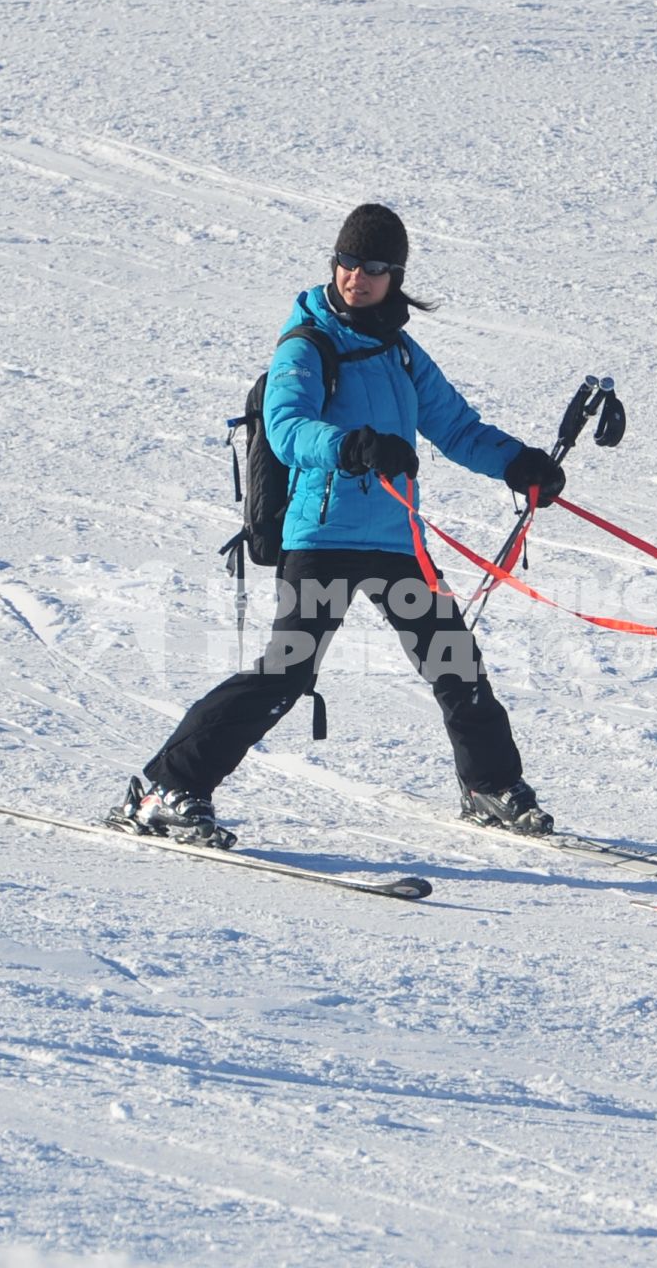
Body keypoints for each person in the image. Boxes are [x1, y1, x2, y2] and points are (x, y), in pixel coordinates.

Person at [114, 203, 567, 845]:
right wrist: (352, 446)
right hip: (321, 538)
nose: (357, 277)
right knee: (287, 671)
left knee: (454, 663)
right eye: (348, 262)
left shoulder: (401, 354)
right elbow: (288, 426)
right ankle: (167, 786)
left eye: (374, 267)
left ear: (396, 275)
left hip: (395, 539)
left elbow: (457, 428)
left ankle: (489, 786)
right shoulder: (308, 342)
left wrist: (520, 465)